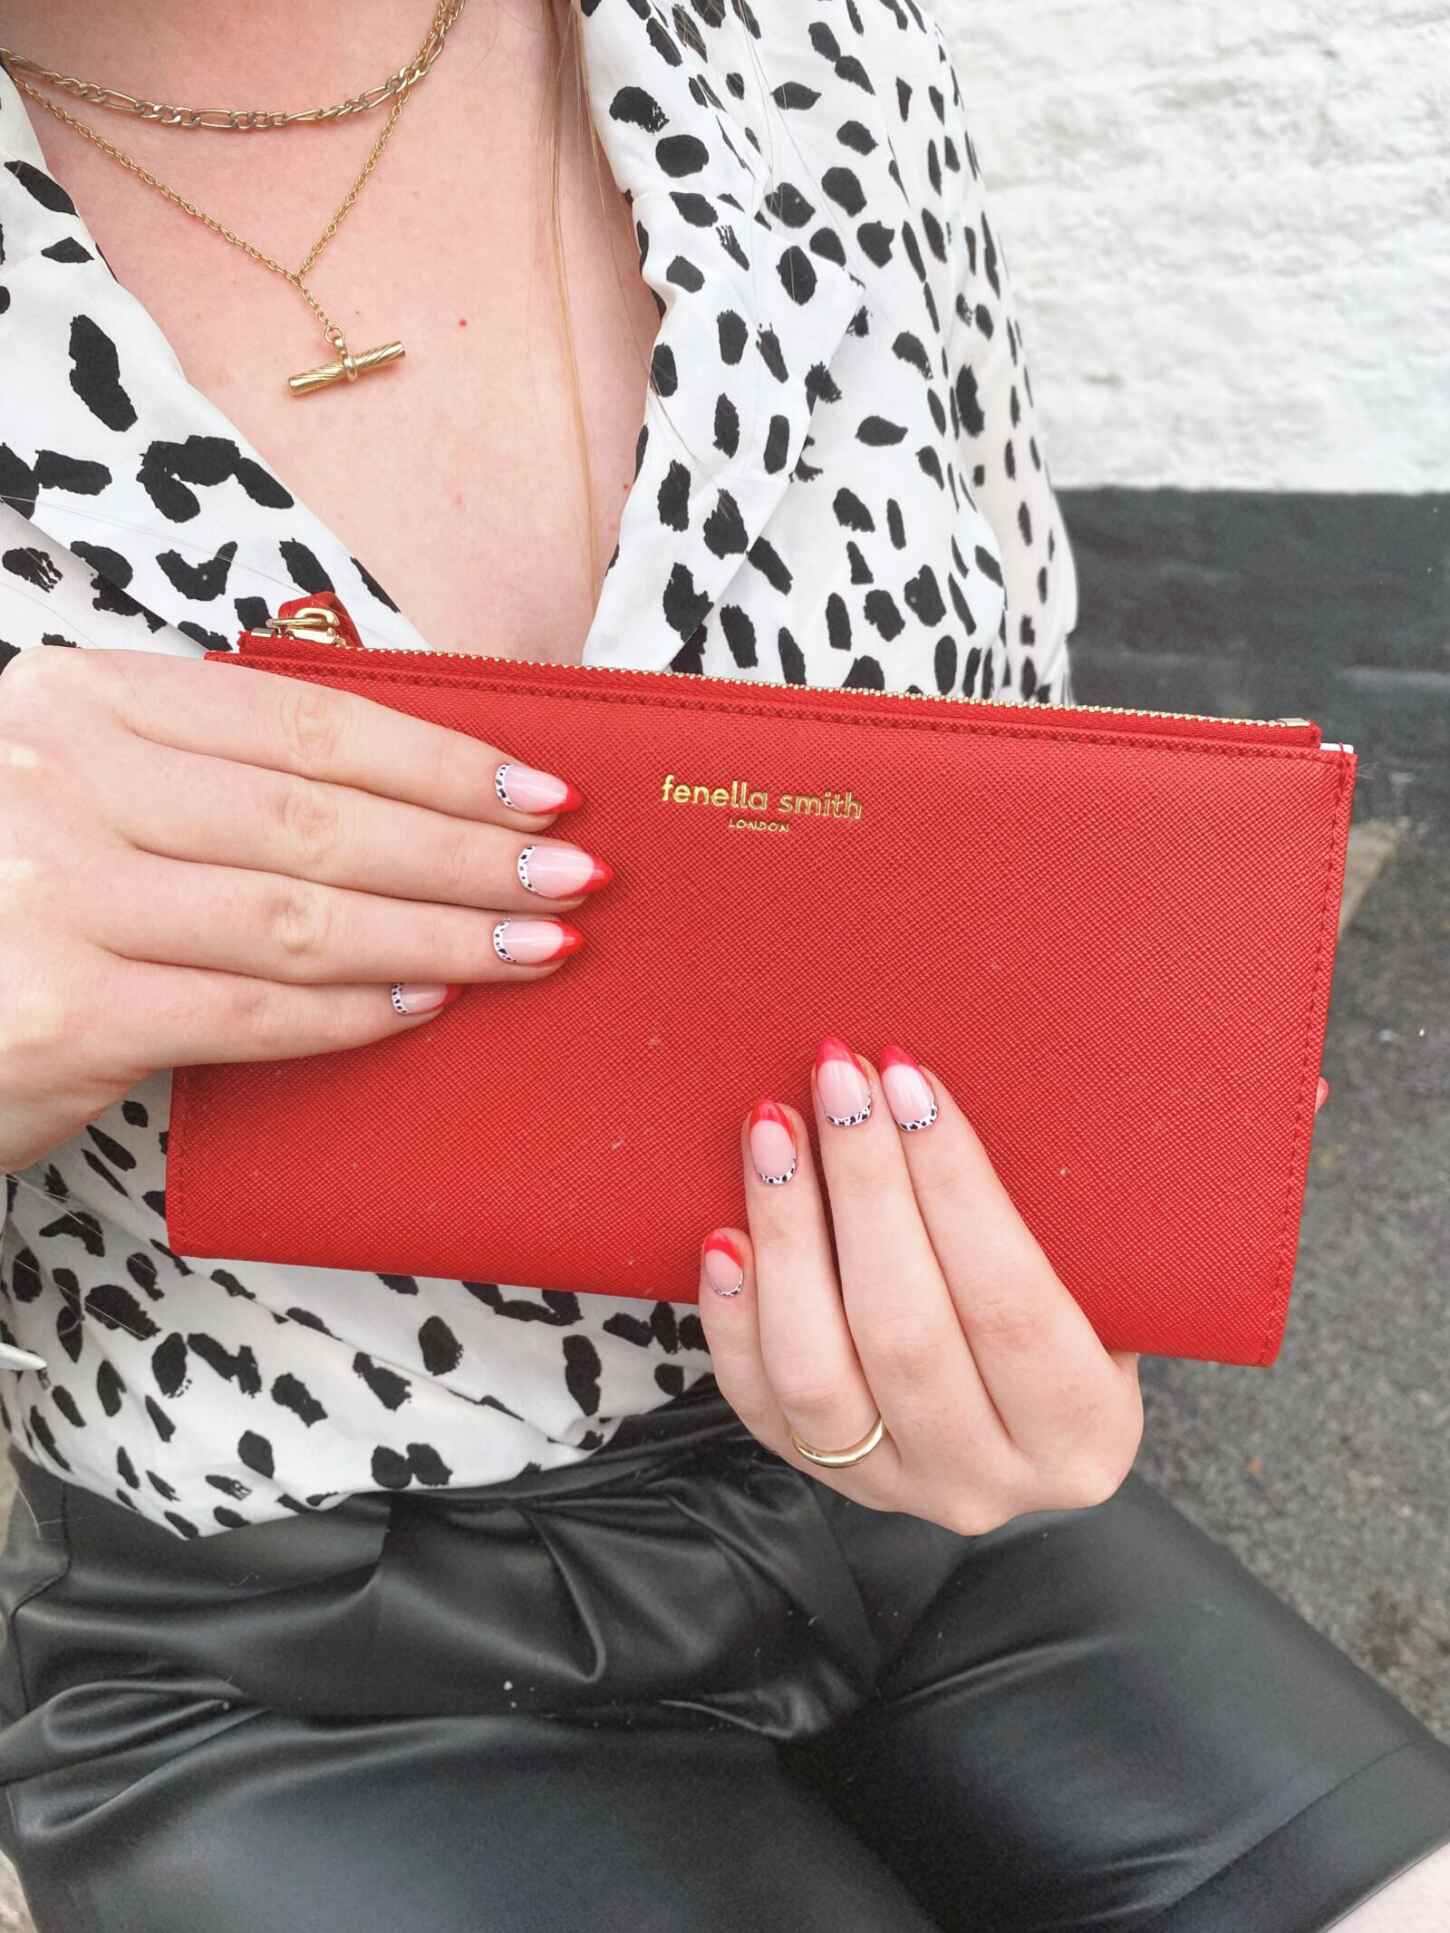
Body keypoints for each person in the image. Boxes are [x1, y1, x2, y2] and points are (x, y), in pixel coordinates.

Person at [0, 4, 1447, 1928]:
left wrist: (1075, 1223)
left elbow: (1004, 759)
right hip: (293, 1639)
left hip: (929, 1504)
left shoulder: (806, 41)